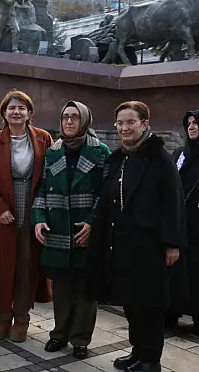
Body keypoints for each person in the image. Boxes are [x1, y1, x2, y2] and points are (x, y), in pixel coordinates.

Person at [89, 101, 186, 372]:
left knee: (150, 306)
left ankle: (151, 359)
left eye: (131, 122)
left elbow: (173, 201)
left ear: (145, 125)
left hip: (150, 247)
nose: (124, 128)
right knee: (131, 303)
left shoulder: (159, 158)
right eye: (120, 123)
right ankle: (137, 351)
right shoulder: (121, 157)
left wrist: (172, 243)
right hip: (122, 244)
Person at [31, 101, 110, 360]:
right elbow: (42, 189)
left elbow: (106, 194)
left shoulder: (100, 151)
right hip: (58, 231)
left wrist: (92, 222)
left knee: (85, 290)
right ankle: (59, 334)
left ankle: (80, 339)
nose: (68, 122)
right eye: (65, 117)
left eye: (74, 117)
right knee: (62, 288)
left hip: (84, 231)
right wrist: (39, 218)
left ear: (85, 121)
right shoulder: (53, 151)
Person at [0, 90, 53, 342]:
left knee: (26, 266)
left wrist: (41, 210)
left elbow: (48, 177)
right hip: (4, 215)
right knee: (2, 266)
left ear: (30, 113)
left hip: (33, 213)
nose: (16, 112)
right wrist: (0, 209)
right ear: (4, 113)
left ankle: (22, 318)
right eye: (11, 108)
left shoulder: (43, 138)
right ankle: (3, 316)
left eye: (21, 108)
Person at [169, 110, 199, 333]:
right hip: (180, 221)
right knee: (175, 269)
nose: (192, 127)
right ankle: (171, 311)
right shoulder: (180, 154)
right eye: (188, 123)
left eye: (196, 123)